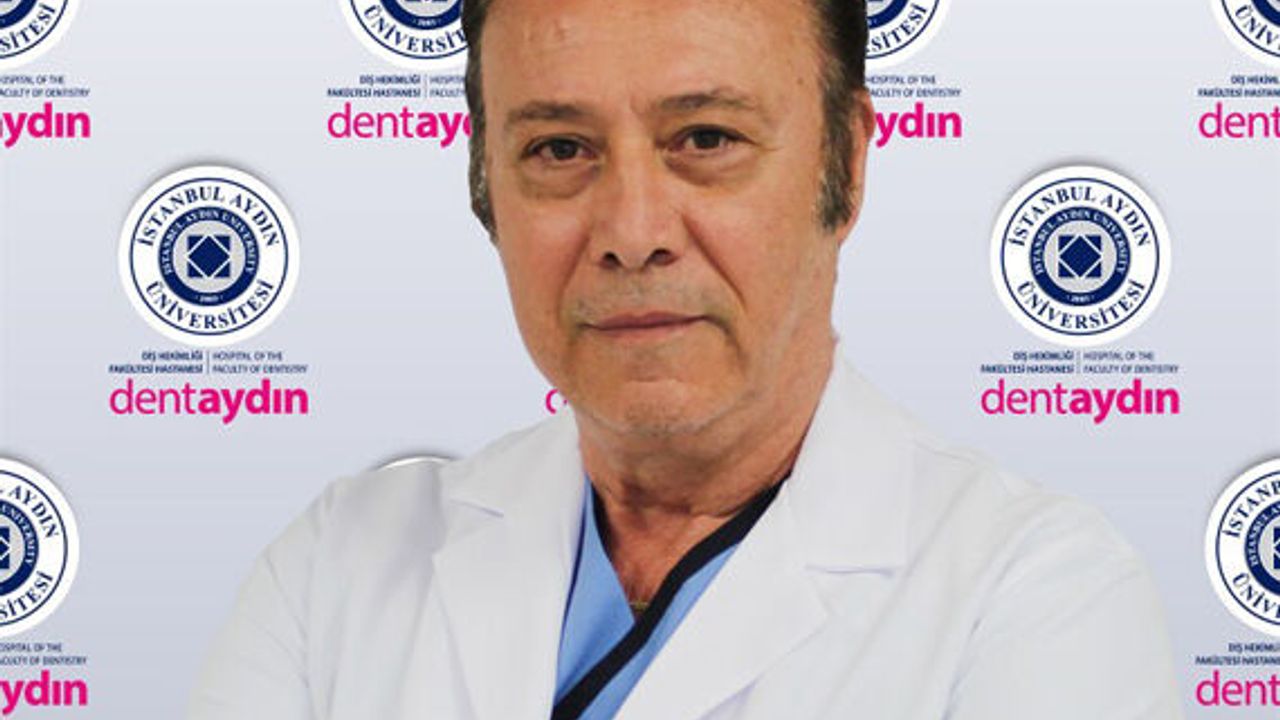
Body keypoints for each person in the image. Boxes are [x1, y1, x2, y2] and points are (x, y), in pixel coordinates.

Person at [189, 0, 1184, 717]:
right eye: (559, 149)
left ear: (846, 163)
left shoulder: (1037, 600)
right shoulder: (338, 570)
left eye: (706, 138)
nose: (632, 233)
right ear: (485, 182)